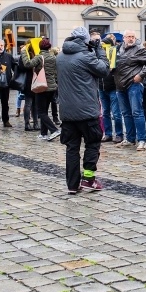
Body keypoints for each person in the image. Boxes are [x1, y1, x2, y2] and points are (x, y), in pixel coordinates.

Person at [56, 26, 110, 194]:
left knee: (72, 148)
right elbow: (104, 69)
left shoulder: (60, 56)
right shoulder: (86, 56)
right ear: (86, 40)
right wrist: (99, 49)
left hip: (67, 111)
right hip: (87, 110)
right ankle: (88, 179)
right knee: (93, 142)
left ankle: (72, 185)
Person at [115, 31, 146, 150]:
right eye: (129, 37)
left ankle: (142, 140)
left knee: (137, 112)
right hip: (119, 85)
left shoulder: (139, 49)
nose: (131, 39)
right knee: (126, 113)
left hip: (133, 84)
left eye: (133, 37)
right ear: (124, 38)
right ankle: (130, 138)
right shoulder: (118, 49)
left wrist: (141, 75)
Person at [24, 38, 61, 141]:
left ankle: (54, 130)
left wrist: (23, 52)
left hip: (42, 86)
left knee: (41, 112)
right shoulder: (54, 57)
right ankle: (43, 133)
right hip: (52, 87)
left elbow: (27, 64)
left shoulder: (39, 57)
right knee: (44, 110)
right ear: (49, 47)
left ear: (39, 47)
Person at [99, 34, 123, 143]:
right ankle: (107, 133)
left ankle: (119, 134)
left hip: (113, 87)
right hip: (102, 87)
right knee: (105, 113)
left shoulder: (115, 55)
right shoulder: (98, 55)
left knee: (116, 113)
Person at [0, 39, 16, 128]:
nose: (0, 47)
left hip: (6, 83)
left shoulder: (8, 56)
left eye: (1, 45)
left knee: (5, 103)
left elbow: (14, 67)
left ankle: (6, 120)